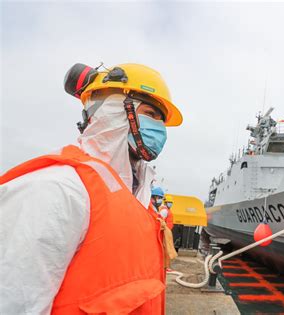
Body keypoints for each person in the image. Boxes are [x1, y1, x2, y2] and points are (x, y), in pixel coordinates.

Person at [0, 63, 183, 315]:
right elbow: (13, 301)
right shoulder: (57, 189)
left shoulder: (137, 196)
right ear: (116, 110)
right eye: (151, 114)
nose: (160, 128)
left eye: (161, 121)